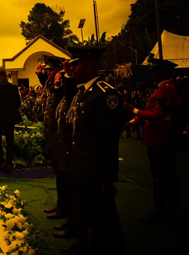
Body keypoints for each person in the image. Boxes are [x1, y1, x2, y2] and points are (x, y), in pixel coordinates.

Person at [63, 46, 124, 255]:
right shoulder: (84, 92)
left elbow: (109, 141)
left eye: (76, 64)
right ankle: (83, 245)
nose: (72, 69)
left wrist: (108, 180)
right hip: (79, 166)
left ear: (91, 64)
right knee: (83, 213)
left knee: (101, 220)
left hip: (93, 171)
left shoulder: (105, 94)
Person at [123, 54, 180, 224]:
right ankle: (164, 210)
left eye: (155, 70)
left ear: (164, 72)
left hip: (160, 139)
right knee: (160, 176)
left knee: (162, 178)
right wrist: (132, 122)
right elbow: (150, 112)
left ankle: (163, 211)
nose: (151, 73)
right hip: (156, 139)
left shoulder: (166, 89)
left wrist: (133, 110)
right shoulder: (160, 89)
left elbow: (156, 115)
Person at [53, 60, 78, 242]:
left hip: (75, 149)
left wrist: (67, 75)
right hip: (63, 143)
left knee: (75, 193)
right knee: (64, 182)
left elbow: (68, 94)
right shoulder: (68, 92)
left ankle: (74, 226)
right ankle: (69, 220)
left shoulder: (88, 93)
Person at [41, 55, 66, 219]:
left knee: (64, 175)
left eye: (50, 69)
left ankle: (64, 207)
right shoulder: (51, 84)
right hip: (51, 135)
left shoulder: (63, 85)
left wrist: (59, 82)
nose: (48, 72)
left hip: (59, 136)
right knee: (59, 173)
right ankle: (61, 204)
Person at [0, 68, 22, 172]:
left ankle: (1, 163)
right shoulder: (14, 88)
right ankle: (9, 163)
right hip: (10, 119)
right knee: (10, 142)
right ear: (6, 76)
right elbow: (18, 103)